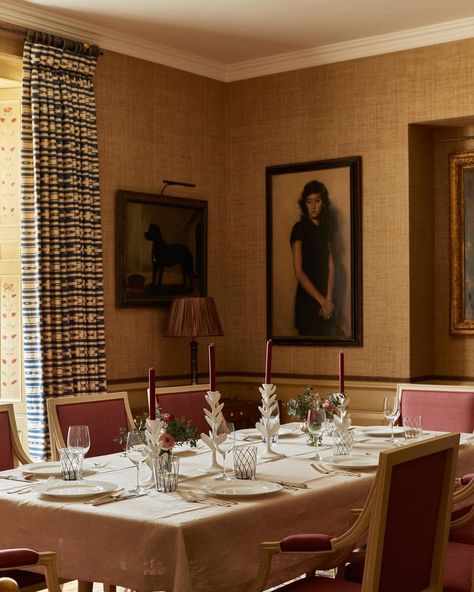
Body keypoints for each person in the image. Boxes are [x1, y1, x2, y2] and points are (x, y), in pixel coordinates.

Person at [290, 180, 337, 336]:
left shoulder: (326, 230)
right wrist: (322, 301)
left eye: (317, 201)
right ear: (304, 204)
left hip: (327, 297)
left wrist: (328, 300)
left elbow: (331, 266)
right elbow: (298, 272)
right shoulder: (299, 229)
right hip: (308, 299)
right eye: (309, 202)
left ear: (323, 202)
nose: (313, 206)